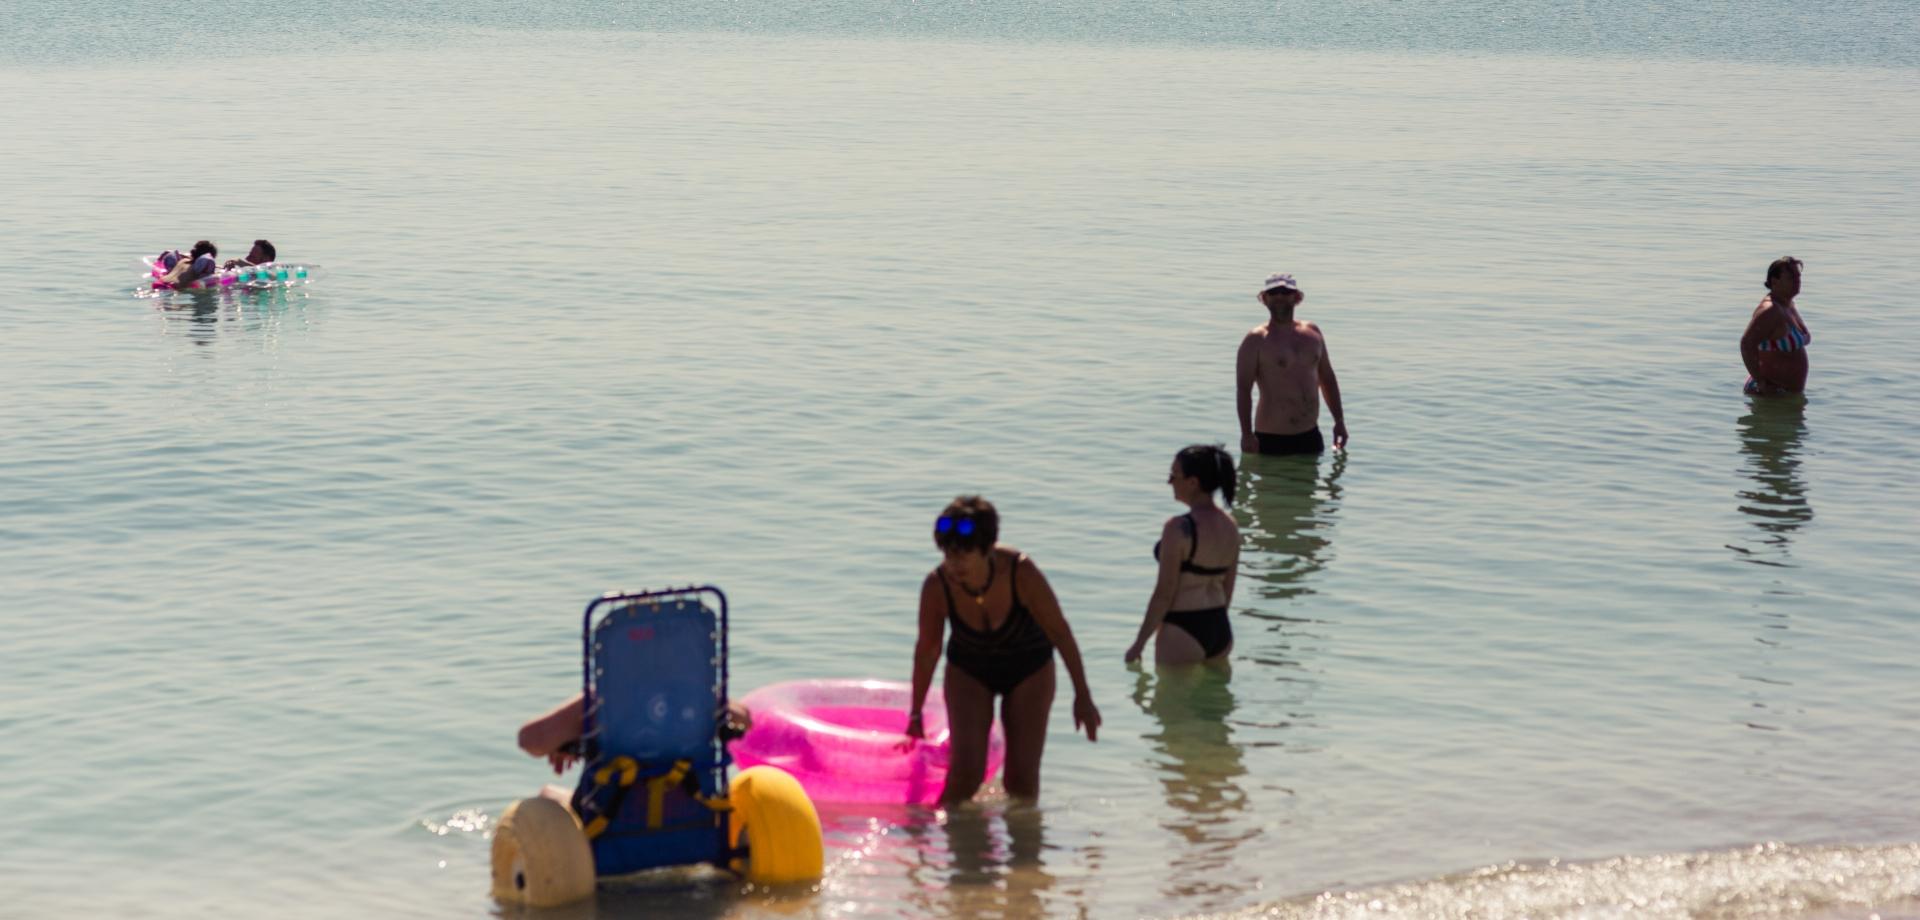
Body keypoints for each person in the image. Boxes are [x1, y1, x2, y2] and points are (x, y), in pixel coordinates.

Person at [907, 496, 1101, 803]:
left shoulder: (1020, 572)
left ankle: (1024, 848)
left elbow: (1060, 633)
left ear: (987, 550)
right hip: (969, 670)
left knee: (1021, 782)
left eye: (963, 555)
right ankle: (945, 844)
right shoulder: (937, 586)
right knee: (964, 778)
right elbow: (927, 652)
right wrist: (915, 714)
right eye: (948, 554)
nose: (953, 564)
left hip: (1029, 669)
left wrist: (1083, 695)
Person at [1126, 445, 1240, 666]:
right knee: (1215, 700)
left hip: (1183, 628)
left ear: (1193, 483)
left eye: (1174, 475)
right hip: (1220, 627)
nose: (1169, 482)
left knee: (1169, 701)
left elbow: (1164, 593)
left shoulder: (1178, 528)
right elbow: (1228, 588)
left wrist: (1139, 643)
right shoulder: (1231, 526)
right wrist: (1213, 627)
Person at [1237, 272, 1348, 455]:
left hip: (1310, 436)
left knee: (1310, 484)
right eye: (1273, 292)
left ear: (1297, 297)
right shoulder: (1255, 340)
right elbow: (1243, 390)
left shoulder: (1313, 333)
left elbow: (1327, 378)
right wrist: (1246, 434)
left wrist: (1339, 421)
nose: (1280, 296)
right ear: (1264, 299)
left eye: (1285, 291)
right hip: (1271, 438)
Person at [518, 693, 752, 778]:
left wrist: (573, 735)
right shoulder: (699, 695)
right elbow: (745, 719)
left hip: (612, 828)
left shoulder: (601, 699)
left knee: (547, 797)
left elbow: (529, 740)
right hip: (695, 817)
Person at [1740, 256, 1812, 397]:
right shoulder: (1770, 311)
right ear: (1774, 281)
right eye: (1791, 277)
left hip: (1786, 396)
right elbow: (1746, 344)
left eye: (1798, 277)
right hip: (1771, 394)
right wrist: (1760, 381)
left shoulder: (1788, 305)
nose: (1797, 281)